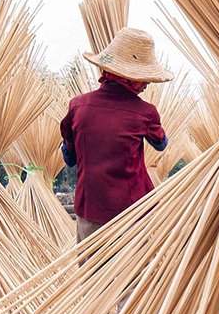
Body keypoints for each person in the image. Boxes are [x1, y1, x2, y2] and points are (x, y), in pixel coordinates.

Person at [61, 25, 173, 242]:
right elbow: (161, 144)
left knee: (92, 273)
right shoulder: (145, 112)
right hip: (132, 215)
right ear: (132, 78)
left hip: (90, 210)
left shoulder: (77, 107)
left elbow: (69, 157)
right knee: (132, 273)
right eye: (144, 79)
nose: (147, 85)